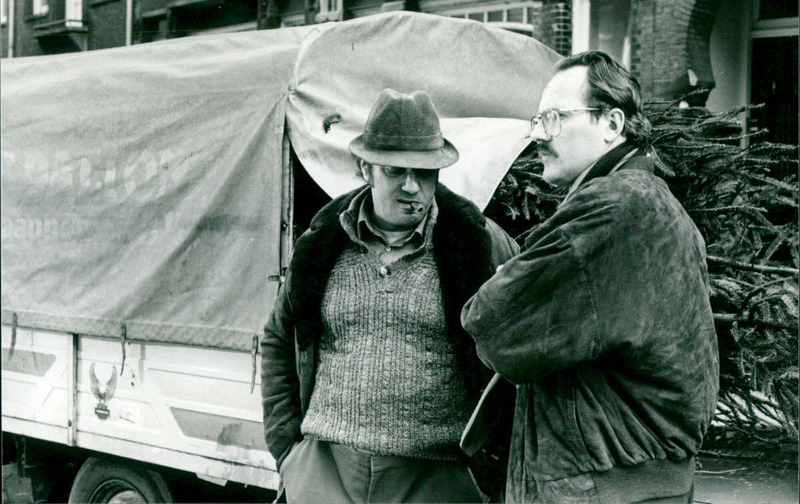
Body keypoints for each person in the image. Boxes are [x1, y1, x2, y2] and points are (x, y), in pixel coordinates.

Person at [461, 51, 720, 504]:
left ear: (612, 123)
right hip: (634, 480)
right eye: (539, 119)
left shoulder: (611, 210)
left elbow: (493, 324)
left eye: (556, 118)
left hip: (602, 485)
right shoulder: (649, 201)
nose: (539, 134)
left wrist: (509, 277)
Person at [261, 88, 518, 503]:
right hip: (324, 471)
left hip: (438, 479)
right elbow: (278, 336)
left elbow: (518, 353)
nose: (412, 187)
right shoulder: (321, 244)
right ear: (365, 168)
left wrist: (487, 466)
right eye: (395, 171)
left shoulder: (479, 244)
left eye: (425, 172)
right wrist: (287, 449)